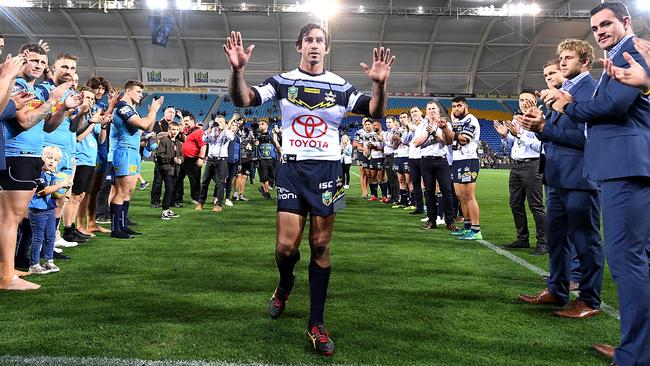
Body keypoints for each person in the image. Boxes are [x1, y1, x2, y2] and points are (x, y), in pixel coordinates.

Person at [223, 23, 394, 356]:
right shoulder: (282, 81)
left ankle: (316, 323)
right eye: (309, 40)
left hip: (329, 170)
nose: (315, 45)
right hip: (292, 168)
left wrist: (380, 85)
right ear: (299, 47)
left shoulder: (341, 86)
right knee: (286, 248)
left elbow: (376, 110)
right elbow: (243, 99)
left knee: (320, 244)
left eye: (320, 41)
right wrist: (237, 70)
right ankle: (286, 283)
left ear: (327, 48)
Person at [540, 3, 650, 364]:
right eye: (596, 26)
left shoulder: (632, 51)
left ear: (626, 22)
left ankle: (636, 353)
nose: (600, 30)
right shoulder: (620, 54)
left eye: (607, 23)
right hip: (622, 166)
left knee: (627, 261)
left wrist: (568, 105)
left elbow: (612, 107)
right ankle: (635, 347)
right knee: (632, 259)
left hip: (626, 167)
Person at [516, 39, 604, 320]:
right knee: (557, 239)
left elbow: (587, 138)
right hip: (556, 177)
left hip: (580, 178)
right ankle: (557, 289)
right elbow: (552, 134)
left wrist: (544, 128)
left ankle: (589, 300)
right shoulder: (563, 90)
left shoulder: (590, 91)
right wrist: (538, 126)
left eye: (568, 58)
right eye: (561, 57)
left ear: (585, 62)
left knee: (586, 242)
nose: (562, 62)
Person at [1, 43, 78, 291]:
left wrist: (63, 108)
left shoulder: (33, 87)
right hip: (17, 156)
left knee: (14, 219)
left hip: (31, 156)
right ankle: (6, 277)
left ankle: (8, 269)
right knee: (9, 220)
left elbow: (47, 126)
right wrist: (53, 101)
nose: (38, 66)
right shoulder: (19, 85)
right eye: (33, 60)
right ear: (23, 60)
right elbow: (24, 122)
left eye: (42, 62)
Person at [494, 90, 546, 255]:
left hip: (533, 165)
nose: (524, 102)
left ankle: (543, 243)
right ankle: (522, 239)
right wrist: (505, 137)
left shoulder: (540, 120)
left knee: (536, 206)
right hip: (516, 166)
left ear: (535, 101)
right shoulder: (516, 119)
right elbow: (513, 145)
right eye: (521, 99)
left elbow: (542, 147)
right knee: (515, 204)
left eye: (528, 100)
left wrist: (519, 136)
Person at [110, 80, 163, 239]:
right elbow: (143, 124)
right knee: (121, 191)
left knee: (129, 191)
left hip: (133, 153)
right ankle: (115, 229)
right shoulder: (123, 107)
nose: (141, 95)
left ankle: (123, 225)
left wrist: (153, 113)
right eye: (138, 92)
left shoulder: (132, 109)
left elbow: (148, 127)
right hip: (125, 151)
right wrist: (153, 111)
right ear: (128, 91)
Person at [412, 101, 456, 231]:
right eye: (429, 109)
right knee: (429, 191)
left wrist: (435, 134)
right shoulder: (421, 126)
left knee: (446, 191)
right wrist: (429, 135)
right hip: (425, 160)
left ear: (438, 111)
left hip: (441, 160)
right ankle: (432, 221)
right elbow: (416, 143)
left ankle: (450, 221)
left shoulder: (445, 124)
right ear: (426, 112)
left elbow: (447, 141)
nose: (431, 111)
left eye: (434, 109)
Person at [28, 146, 72, 274]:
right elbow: (43, 191)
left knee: (50, 236)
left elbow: (56, 194)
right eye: (49, 158)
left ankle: (48, 261)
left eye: (56, 160)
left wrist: (66, 187)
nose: (52, 161)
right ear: (42, 158)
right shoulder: (39, 174)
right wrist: (61, 185)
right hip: (38, 210)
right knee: (38, 238)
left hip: (50, 209)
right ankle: (34, 264)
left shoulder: (53, 174)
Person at [449, 96, 482, 240]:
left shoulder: (471, 120)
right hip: (457, 160)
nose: (456, 108)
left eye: (459, 106)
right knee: (460, 196)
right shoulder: (456, 122)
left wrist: (446, 128)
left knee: (469, 196)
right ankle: (467, 227)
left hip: (468, 160)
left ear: (465, 106)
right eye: (454, 106)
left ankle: (476, 230)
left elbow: (463, 139)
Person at [196, 115, 236, 212]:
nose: (218, 124)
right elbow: (204, 139)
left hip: (221, 159)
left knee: (220, 183)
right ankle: (200, 203)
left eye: (221, 122)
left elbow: (231, 137)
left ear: (224, 123)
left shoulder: (228, 132)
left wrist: (224, 128)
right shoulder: (212, 131)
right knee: (204, 182)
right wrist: (210, 127)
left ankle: (218, 205)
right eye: (217, 122)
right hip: (210, 159)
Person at [173, 113, 205, 207]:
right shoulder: (185, 130)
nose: (185, 123)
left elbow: (203, 145)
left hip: (193, 159)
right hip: (182, 159)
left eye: (186, 121)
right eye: (184, 121)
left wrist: (201, 158)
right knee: (178, 179)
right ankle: (178, 197)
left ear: (192, 120)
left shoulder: (199, 131)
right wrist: (181, 118)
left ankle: (195, 198)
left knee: (194, 180)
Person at [156, 123, 183, 220]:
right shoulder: (164, 141)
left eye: (176, 130)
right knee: (169, 189)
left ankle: (168, 209)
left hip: (176, 170)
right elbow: (159, 155)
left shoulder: (179, 143)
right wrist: (172, 159)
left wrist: (180, 160)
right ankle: (164, 211)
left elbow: (181, 156)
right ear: (169, 129)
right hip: (166, 169)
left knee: (172, 190)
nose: (175, 131)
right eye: (173, 129)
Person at [256, 119, 281, 200]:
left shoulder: (271, 134)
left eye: (262, 124)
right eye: (259, 124)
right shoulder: (257, 135)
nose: (260, 125)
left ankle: (279, 194)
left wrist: (280, 150)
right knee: (264, 178)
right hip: (262, 159)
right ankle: (266, 193)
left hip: (272, 159)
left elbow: (277, 144)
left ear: (267, 125)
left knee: (275, 177)